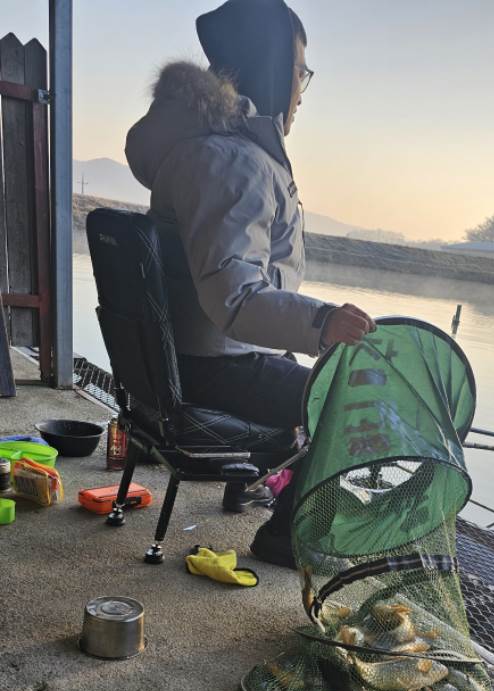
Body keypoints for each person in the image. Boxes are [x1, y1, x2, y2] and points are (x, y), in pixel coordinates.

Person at [126, 0, 375, 567]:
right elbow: (233, 298)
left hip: (181, 355)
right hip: (208, 365)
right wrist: (322, 322)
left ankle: (250, 485)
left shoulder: (204, 149)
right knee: (341, 393)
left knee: (289, 365)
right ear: (271, 68)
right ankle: (289, 536)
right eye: (299, 73)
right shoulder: (232, 161)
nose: (301, 94)